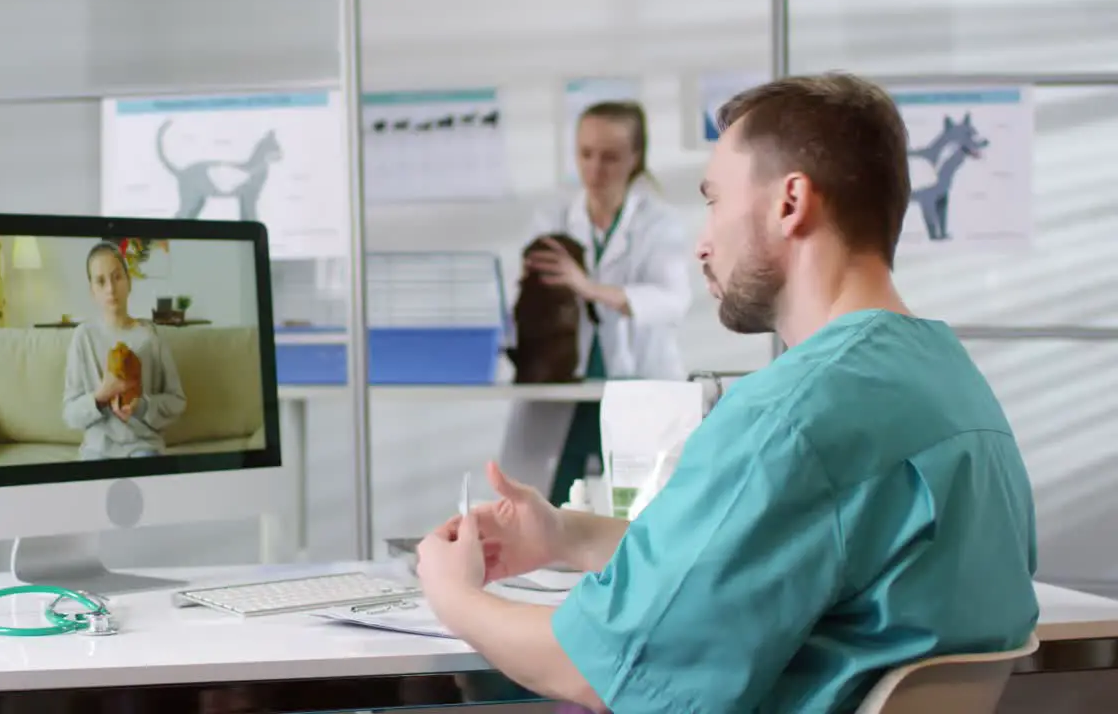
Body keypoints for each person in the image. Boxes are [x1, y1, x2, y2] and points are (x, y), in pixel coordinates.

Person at [415, 72, 1039, 712]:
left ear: (790, 202)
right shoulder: (954, 386)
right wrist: (564, 535)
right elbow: (749, 559)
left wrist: (454, 596)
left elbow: (593, 669)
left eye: (714, 201)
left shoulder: (787, 421)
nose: (702, 243)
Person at [502, 100, 693, 507]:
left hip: (638, 384)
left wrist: (586, 286)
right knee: (551, 507)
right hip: (564, 394)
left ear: (635, 158)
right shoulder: (552, 218)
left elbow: (671, 302)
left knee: (637, 509)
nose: (595, 169)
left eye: (610, 157)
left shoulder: (660, 223)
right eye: (585, 154)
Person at [62, 241, 187, 459]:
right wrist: (101, 396)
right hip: (97, 448)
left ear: (128, 282)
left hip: (143, 444)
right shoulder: (83, 337)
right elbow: (70, 414)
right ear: (92, 290)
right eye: (100, 281)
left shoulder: (151, 336)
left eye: (117, 277)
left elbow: (177, 401)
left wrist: (143, 406)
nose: (110, 288)